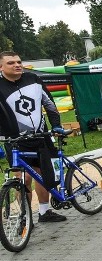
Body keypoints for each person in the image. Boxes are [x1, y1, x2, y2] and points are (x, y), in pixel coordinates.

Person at [0, 50, 68, 223]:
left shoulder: (34, 79)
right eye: (11, 63)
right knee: (23, 178)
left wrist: (57, 125)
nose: (17, 65)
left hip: (40, 136)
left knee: (42, 173)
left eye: (18, 61)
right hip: (14, 140)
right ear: (1, 66)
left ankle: (44, 212)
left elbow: (50, 104)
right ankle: (26, 217)